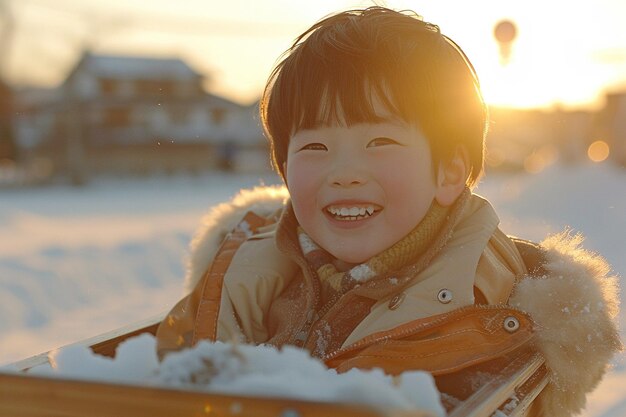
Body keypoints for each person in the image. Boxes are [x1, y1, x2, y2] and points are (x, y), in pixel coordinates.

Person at [156, 7, 621, 416]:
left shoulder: (485, 309)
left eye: (380, 142)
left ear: (448, 172)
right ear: (283, 170)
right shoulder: (244, 274)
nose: (344, 173)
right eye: (315, 145)